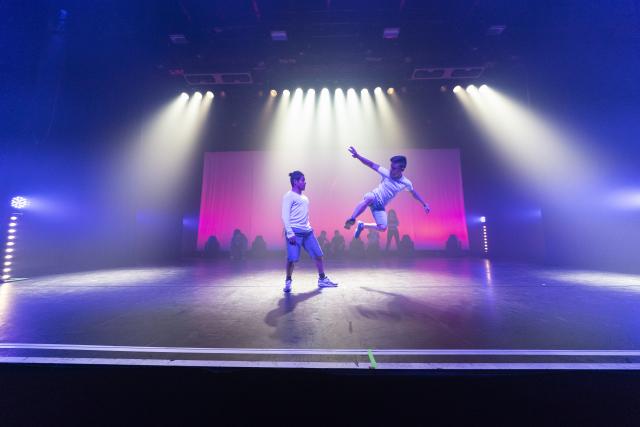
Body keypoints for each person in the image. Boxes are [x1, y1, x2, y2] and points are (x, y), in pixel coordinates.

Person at [344, 147, 431, 241]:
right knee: (369, 198)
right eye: (391, 167)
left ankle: (362, 225)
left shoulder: (406, 183)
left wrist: (424, 204)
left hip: (380, 206)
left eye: (394, 168)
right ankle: (352, 218)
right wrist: (358, 156)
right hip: (374, 196)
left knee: (383, 227)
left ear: (402, 169)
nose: (391, 170)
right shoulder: (386, 173)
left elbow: (414, 193)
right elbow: (371, 164)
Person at [282, 171, 338, 293]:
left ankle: (322, 279)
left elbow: (304, 216)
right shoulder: (289, 196)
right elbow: (285, 216)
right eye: (302, 180)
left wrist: (309, 227)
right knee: (292, 258)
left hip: (307, 232)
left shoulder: (305, 198)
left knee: (318, 255)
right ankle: (288, 280)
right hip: (294, 232)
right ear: (296, 182)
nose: (305, 182)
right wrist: (290, 233)